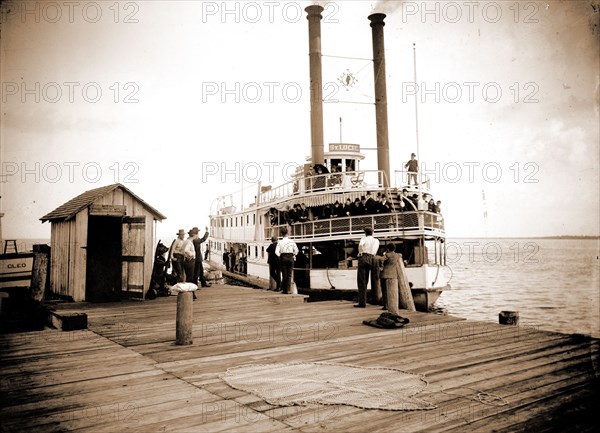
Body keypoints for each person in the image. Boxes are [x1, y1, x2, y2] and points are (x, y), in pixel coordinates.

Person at [355, 227, 380, 308]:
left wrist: (360, 253)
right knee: (375, 281)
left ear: (365, 233)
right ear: (372, 232)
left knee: (362, 281)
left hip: (364, 257)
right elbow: (375, 250)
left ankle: (362, 303)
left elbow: (360, 247)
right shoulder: (376, 240)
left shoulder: (363, 238)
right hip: (373, 258)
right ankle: (376, 301)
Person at [275, 226, 298, 294]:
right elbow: (296, 250)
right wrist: (293, 255)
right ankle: (288, 289)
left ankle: (284, 290)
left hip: (283, 257)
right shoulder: (292, 241)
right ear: (287, 233)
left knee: (284, 274)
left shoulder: (280, 242)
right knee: (289, 274)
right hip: (290, 257)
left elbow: (276, 252)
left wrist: (281, 256)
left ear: (281, 234)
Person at [381, 244, 401, 314]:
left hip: (385, 274)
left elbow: (381, 260)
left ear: (388, 249)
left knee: (384, 291)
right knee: (392, 292)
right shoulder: (397, 255)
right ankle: (392, 306)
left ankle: (385, 305)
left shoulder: (387, 255)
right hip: (393, 274)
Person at [182, 229, 197, 299]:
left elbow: (183, 251)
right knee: (190, 278)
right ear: (194, 235)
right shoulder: (189, 242)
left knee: (189, 278)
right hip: (190, 262)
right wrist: (192, 255)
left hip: (186, 261)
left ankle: (191, 294)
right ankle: (190, 295)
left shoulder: (186, 241)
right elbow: (185, 250)